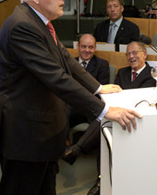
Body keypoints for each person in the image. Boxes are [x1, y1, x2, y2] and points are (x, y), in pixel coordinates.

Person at [0, 0, 141, 195]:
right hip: (24, 136)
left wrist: (99, 87)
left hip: (41, 133)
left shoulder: (40, 23)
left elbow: (67, 62)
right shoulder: (22, 26)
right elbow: (55, 76)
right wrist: (104, 110)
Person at [63, 34, 110, 195]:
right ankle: (59, 153)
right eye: (84, 46)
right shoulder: (69, 64)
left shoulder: (102, 65)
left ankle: (76, 152)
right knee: (59, 113)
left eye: (90, 47)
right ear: (78, 47)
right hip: (72, 107)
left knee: (103, 122)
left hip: (91, 108)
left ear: (95, 48)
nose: (87, 50)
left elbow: (99, 95)